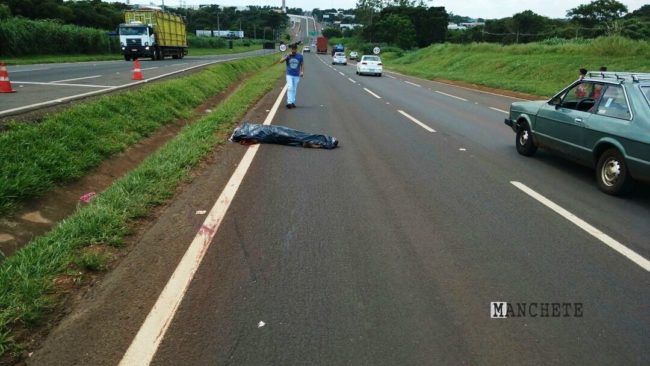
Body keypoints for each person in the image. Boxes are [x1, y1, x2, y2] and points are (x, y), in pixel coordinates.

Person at [277, 43, 304, 109]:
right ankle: (289, 102)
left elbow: (302, 64)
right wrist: (287, 56)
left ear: (296, 49)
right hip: (289, 74)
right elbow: (280, 61)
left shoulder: (300, 56)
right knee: (290, 87)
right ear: (291, 49)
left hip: (296, 75)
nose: (293, 51)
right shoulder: (288, 55)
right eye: (292, 49)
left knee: (294, 89)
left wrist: (302, 72)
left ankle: (292, 102)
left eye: (294, 49)